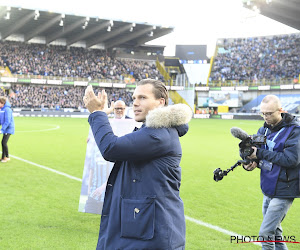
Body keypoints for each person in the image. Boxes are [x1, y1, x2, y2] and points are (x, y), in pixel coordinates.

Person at [83, 79, 192, 250]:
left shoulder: (158, 134)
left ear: (160, 102)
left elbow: (111, 148)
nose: (135, 103)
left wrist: (97, 113)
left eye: (142, 97)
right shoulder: (152, 131)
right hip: (143, 227)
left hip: (152, 233)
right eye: (134, 98)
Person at [244, 95, 300, 249]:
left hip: (285, 189)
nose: (265, 117)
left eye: (269, 113)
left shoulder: (295, 131)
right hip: (268, 186)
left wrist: (259, 154)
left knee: (266, 233)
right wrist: (250, 162)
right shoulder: (263, 129)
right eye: (263, 113)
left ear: (281, 111)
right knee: (275, 232)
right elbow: (255, 151)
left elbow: (291, 160)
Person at [0, 96, 14, 163]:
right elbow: (1, 120)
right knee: (3, 142)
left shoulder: (7, 109)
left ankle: (7, 157)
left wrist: (2, 130)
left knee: (4, 142)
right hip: (5, 129)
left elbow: (7, 121)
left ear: (2, 103)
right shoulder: (2, 109)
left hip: (9, 128)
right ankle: (3, 157)